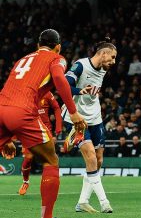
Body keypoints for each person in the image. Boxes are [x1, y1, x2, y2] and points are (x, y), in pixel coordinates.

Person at [0, 29, 86, 218]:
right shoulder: (57, 58)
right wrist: (73, 112)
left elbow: (11, 89)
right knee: (51, 161)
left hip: (1, 108)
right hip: (22, 111)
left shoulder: (22, 60)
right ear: (58, 46)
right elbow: (59, 79)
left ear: (38, 45)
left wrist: (6, 136)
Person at [62, 37, 117, 213]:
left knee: (98, 161)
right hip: (76, 118)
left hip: (95, 118)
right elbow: (63, 86)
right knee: (91, 157)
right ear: (103, 54)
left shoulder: (103, 68)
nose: (114, 61)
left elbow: (103, 49)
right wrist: (79, 90)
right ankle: (104, 202)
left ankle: (82, 201)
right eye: (112, 57)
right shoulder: (80, 66)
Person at [19, 91, 63, 195]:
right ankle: (25, 182)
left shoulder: (47, 93)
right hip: (29, 131)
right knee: (28, 158)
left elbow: (57, 108)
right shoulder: (27, 93)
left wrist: (58, 127)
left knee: (48, 159)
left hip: (45, 131)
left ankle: (50, 185)